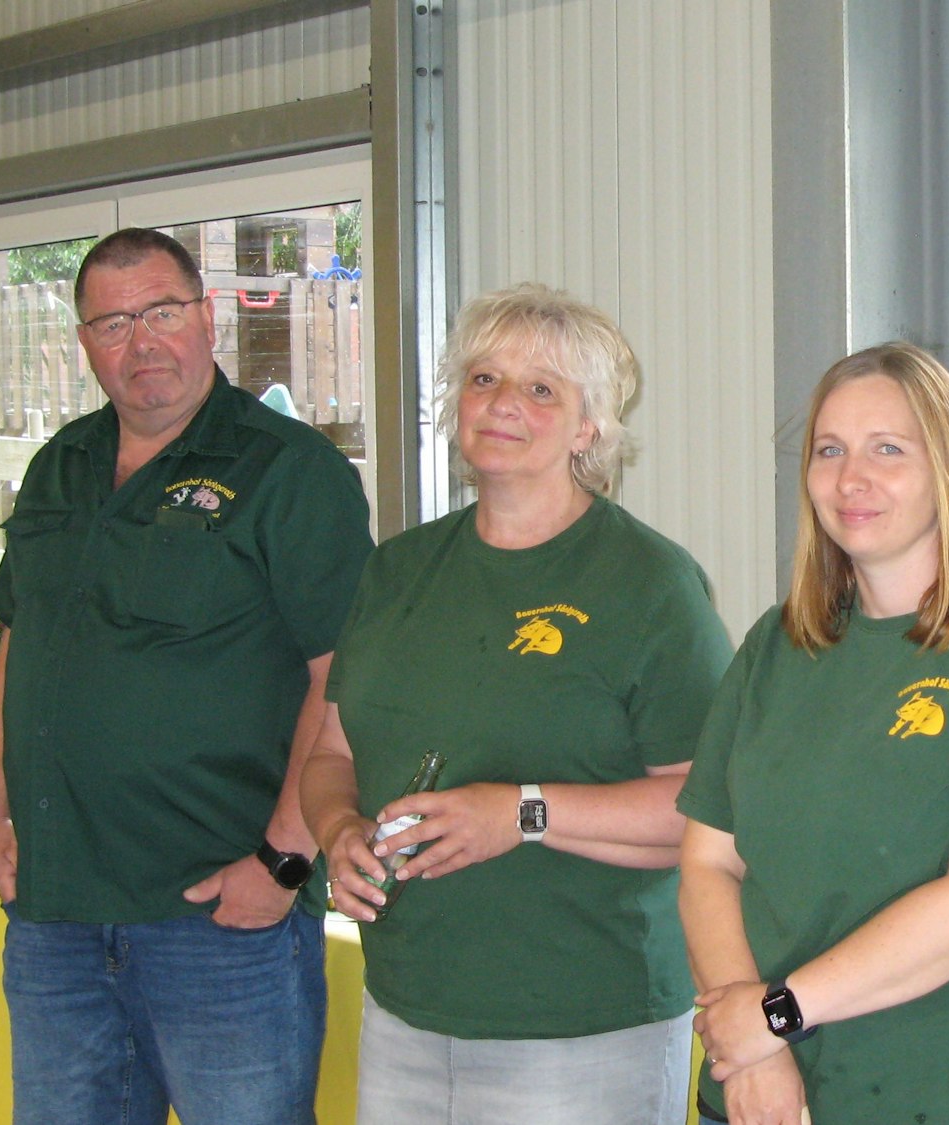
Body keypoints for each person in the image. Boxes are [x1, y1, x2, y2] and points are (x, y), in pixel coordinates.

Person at [300, 283, 733, 1125]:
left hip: (582, 1022)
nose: (504, 405)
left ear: (589, 429)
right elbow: (331, 754)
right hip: (408, 1007)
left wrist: (522, 812)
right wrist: (336, 832)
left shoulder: (650, 584)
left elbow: (709, 812)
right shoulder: (399, 571)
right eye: (484, 379)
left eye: (542, 389)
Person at [0, 227, 374, 1124]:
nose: (140, 342)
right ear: (84, 342)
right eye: (112, 323)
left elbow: (343, 679)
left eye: (160, 312)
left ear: (208, 317)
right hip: (56, 913)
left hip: (217, 920)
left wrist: (280, 858)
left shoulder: (290, 473)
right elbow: (16, 639)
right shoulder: (57, 470)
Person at [678, 341, 949, 1125]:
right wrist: (756, 1050)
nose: (852, 479)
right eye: (830, 450)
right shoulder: (778, 644)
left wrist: (774, 1015)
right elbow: (708, 861)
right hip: (766, 1092)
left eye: (888, 449)